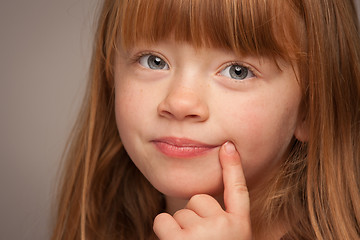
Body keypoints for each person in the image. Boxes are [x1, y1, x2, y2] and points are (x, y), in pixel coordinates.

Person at [51, 0, 360, 239]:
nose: (180, 102)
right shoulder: (101, 228)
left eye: (237, 70)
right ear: (111, 78)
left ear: (309, 108)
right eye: (154, 61)